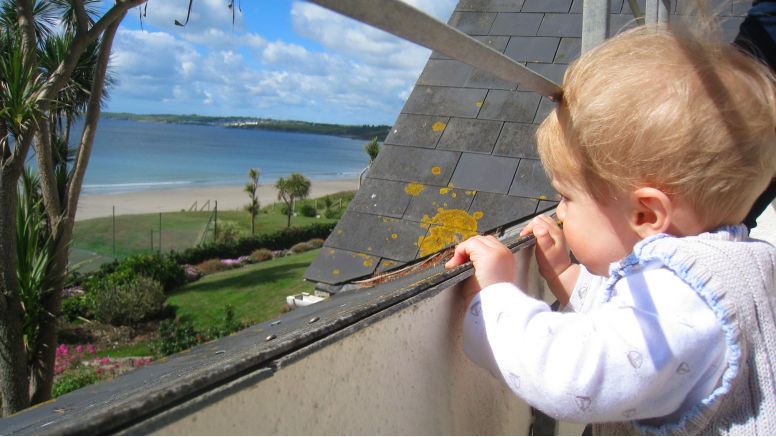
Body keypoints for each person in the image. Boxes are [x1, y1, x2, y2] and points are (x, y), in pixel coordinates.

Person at [445, 24, 776, 435]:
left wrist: (495, 297)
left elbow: (578, 375)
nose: (559, 213)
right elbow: (634, 320)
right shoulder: (723, 268)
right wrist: (568, 275)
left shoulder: (689, 298)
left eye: (567, 197)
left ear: (645, 215)